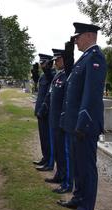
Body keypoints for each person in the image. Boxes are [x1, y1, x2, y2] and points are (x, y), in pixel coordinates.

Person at [58, 22, 107, 210]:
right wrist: (68, 56)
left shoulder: (95, 57)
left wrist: (83, 122)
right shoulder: (84, 58)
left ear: (88, 36)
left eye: (78, 37)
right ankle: (78, 198)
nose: (75, 40)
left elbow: (91, 94)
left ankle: (86, 209)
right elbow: (71, 81)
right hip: (76, 122)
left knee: (86, 167)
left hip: (85, 123)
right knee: (78, 165)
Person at [42, 48, 73, 194]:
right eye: (55, 60)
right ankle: (59, 175)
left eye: (58, 60)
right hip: (54, 120)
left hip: (61, 121)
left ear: (64, 59)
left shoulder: (67, 75)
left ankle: (67, 182)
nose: (56, 63)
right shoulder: (58, 76)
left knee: (64, 152)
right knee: (58, 151)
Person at [33, 54, 55, 171]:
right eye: (41, 63)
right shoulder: (43, 76)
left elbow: (50, 77)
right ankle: (45, 157)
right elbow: (38, 87)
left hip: (47, 111)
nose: (41, 65)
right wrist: (35, 74)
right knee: (42, 137)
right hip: (40, 110)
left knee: (48, 138)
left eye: (43, 63)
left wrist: (47, 69)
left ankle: (49, 161)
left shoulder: (52, 74)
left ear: (49, 63)